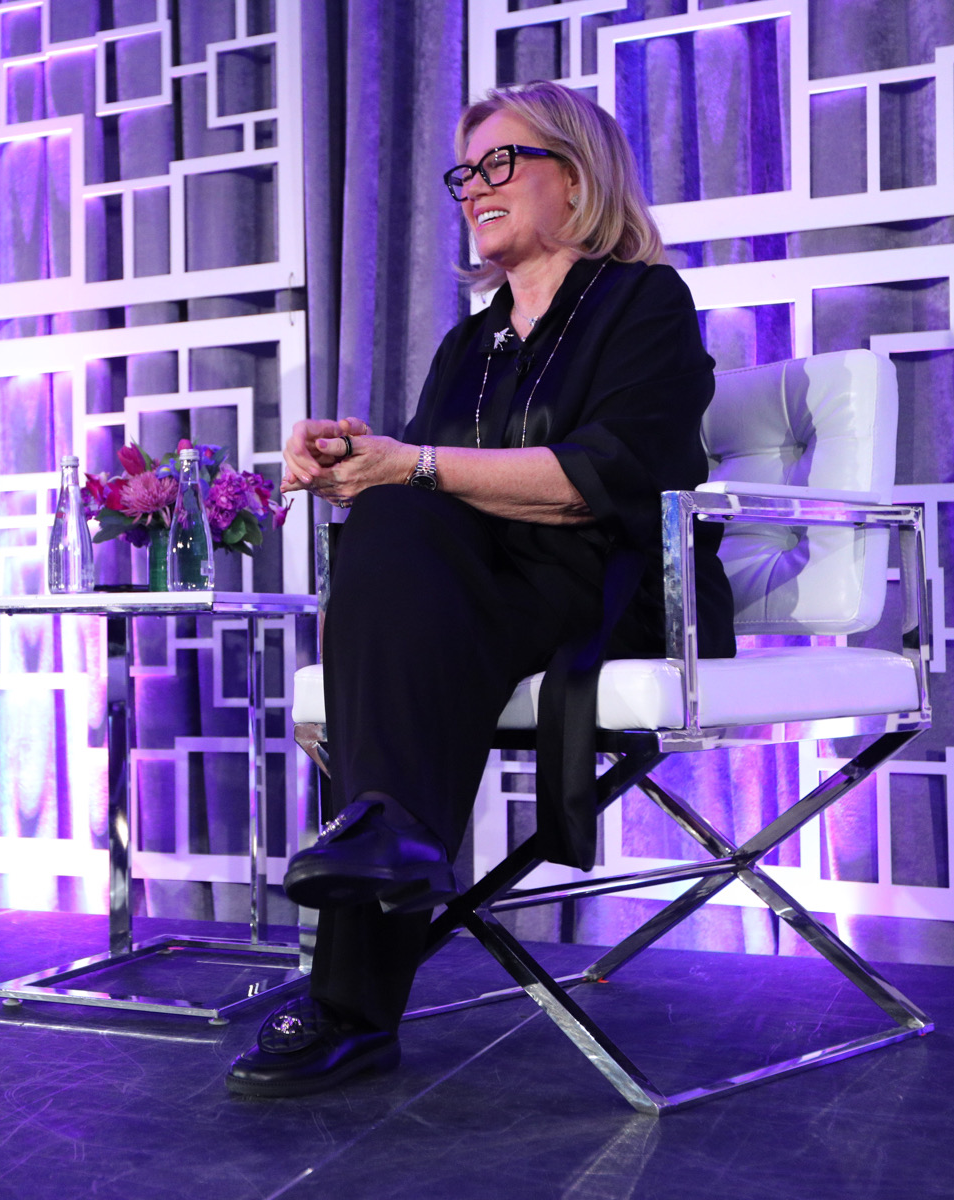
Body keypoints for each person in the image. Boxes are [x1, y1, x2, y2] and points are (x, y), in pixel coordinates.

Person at [226, 82, 735, 1097]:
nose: (473, 187)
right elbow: (424, 501)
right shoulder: (472, 341)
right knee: (388, 514)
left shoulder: (645, 303)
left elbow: (604, 477)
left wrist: (405, 464)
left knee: (403, 500)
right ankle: (390, 834)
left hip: (616, 591)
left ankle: (351, 999)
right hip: (488, 593)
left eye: (502, 163)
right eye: (466, 171)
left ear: (578, 178)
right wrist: (355, 465)